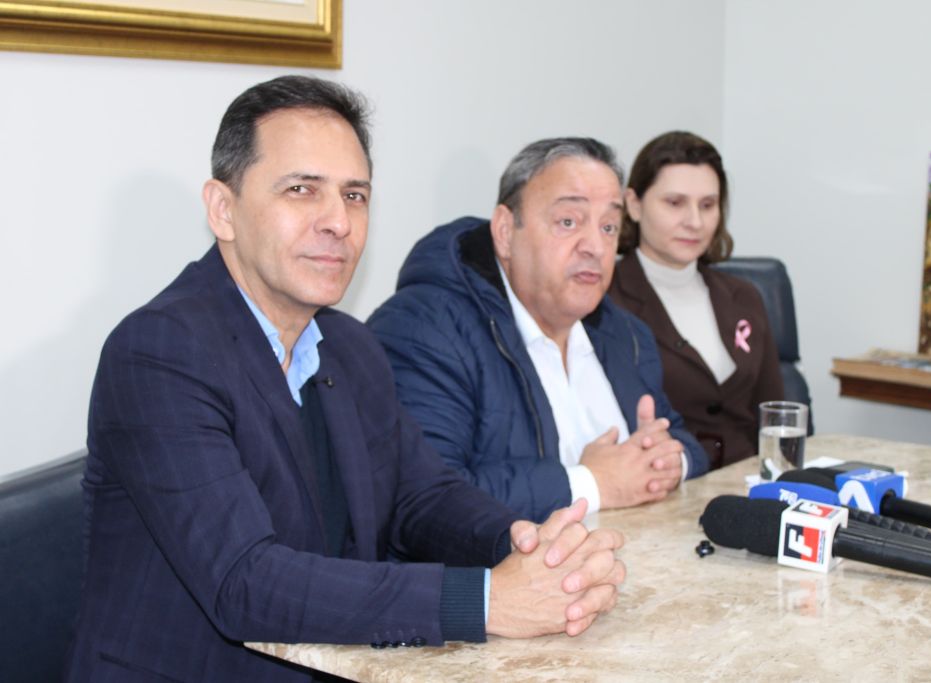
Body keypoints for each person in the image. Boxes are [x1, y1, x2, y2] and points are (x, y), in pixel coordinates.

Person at [66, 77, 625, 682]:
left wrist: (525, 547)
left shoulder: (349, 345)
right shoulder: (158, 353)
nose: (338, 221)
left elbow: (422, 498)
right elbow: (244, 581)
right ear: (223, 209)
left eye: (355, 196)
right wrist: (485, 601)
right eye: (302, 190)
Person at [367, 138, 708, 523]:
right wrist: (591, 483)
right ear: (504, 232)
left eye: (609, 226)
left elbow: (685, 442)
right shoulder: (425, 329)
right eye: (568, 222)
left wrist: (668, 461)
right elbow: (424, 500)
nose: (595, 246)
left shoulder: (624, 333)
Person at [607, 131, 785, 470]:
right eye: (675, 203)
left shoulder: (744, 297)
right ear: (633, 204)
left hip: (749, 491)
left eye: (708, 205)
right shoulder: (605, 300)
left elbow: (775, 416)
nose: (695, 221)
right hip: (659, 489)